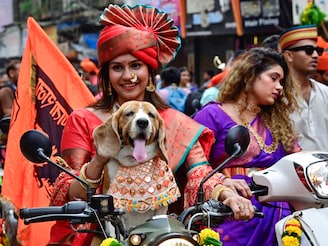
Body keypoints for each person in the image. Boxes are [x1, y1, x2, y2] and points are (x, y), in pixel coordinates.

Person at [49, 4, 254, 245]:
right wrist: (99, 160)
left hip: (165, 235)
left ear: (150, 71)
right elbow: (69, 192)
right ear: (106, 74)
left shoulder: (174, 121)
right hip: (101, 235)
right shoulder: (84, 120)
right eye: (117, 68)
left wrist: (227, 194)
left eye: (136, 65)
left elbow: (199, 172)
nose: (128, 76)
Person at [193, 47, 301, 245]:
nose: (280, 87)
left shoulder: (277, 121)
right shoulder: (212, 115)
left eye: (282, 82)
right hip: (232, 214)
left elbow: (299, 159)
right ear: (250, 75)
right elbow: (194, 169)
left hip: (279, 218)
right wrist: (223, 184)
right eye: (274, 78)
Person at [279, 25, 328, 151]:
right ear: (289, 55)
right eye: (308, 50)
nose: (316, 55)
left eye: (318, 50)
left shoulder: (325, 92)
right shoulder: (277, 96)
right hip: (292, 170)